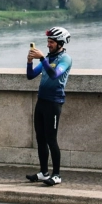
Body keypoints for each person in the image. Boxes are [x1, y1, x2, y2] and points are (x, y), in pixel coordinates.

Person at [25, 27, 72, 186]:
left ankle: (56, 175)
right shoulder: (48, 58)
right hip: (41, 101)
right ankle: (44, 173)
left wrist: (41, 59)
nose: (48, 45)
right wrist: (30, 61)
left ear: (60, 43)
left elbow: (54, 74)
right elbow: (30, 75)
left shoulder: (65, 59)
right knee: (40, 139)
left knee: (51, 139)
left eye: (51, 42)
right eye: (48, 41)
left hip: (53, 103)